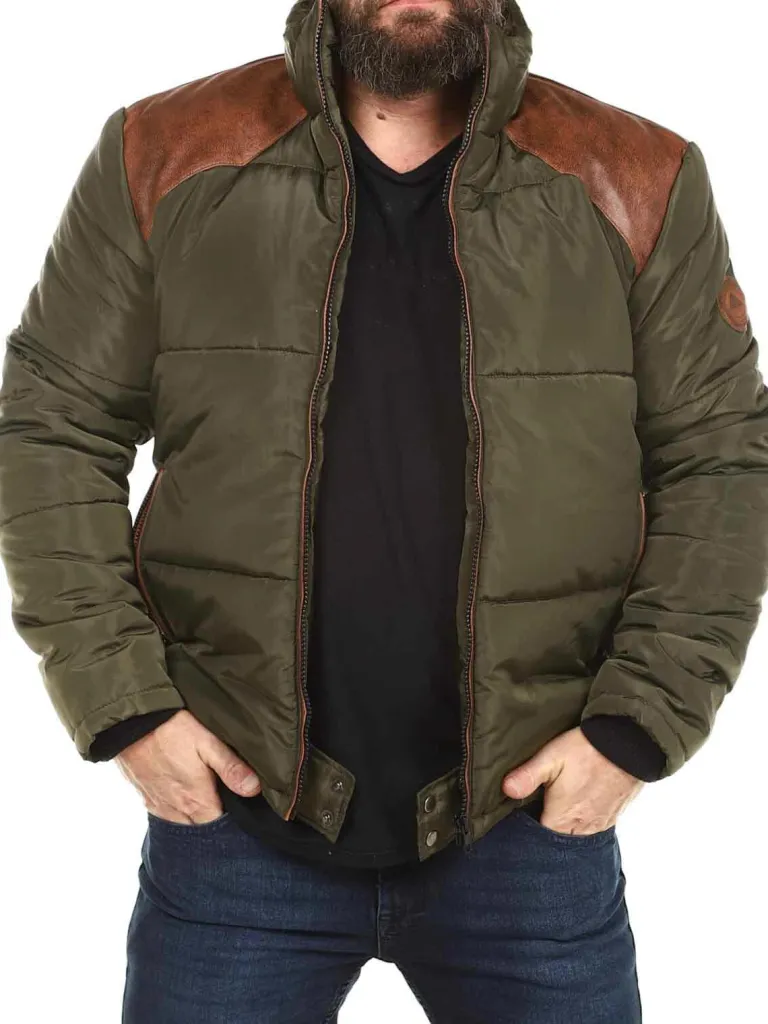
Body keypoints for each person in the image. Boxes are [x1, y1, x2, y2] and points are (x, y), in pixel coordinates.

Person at [1, 0, 765, 1020]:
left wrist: (638, 726)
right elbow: (52, 426)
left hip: (531, 823)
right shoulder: (163, 151)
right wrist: (126, 707)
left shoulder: (638, 175)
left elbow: (721, 459)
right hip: (237, 819)